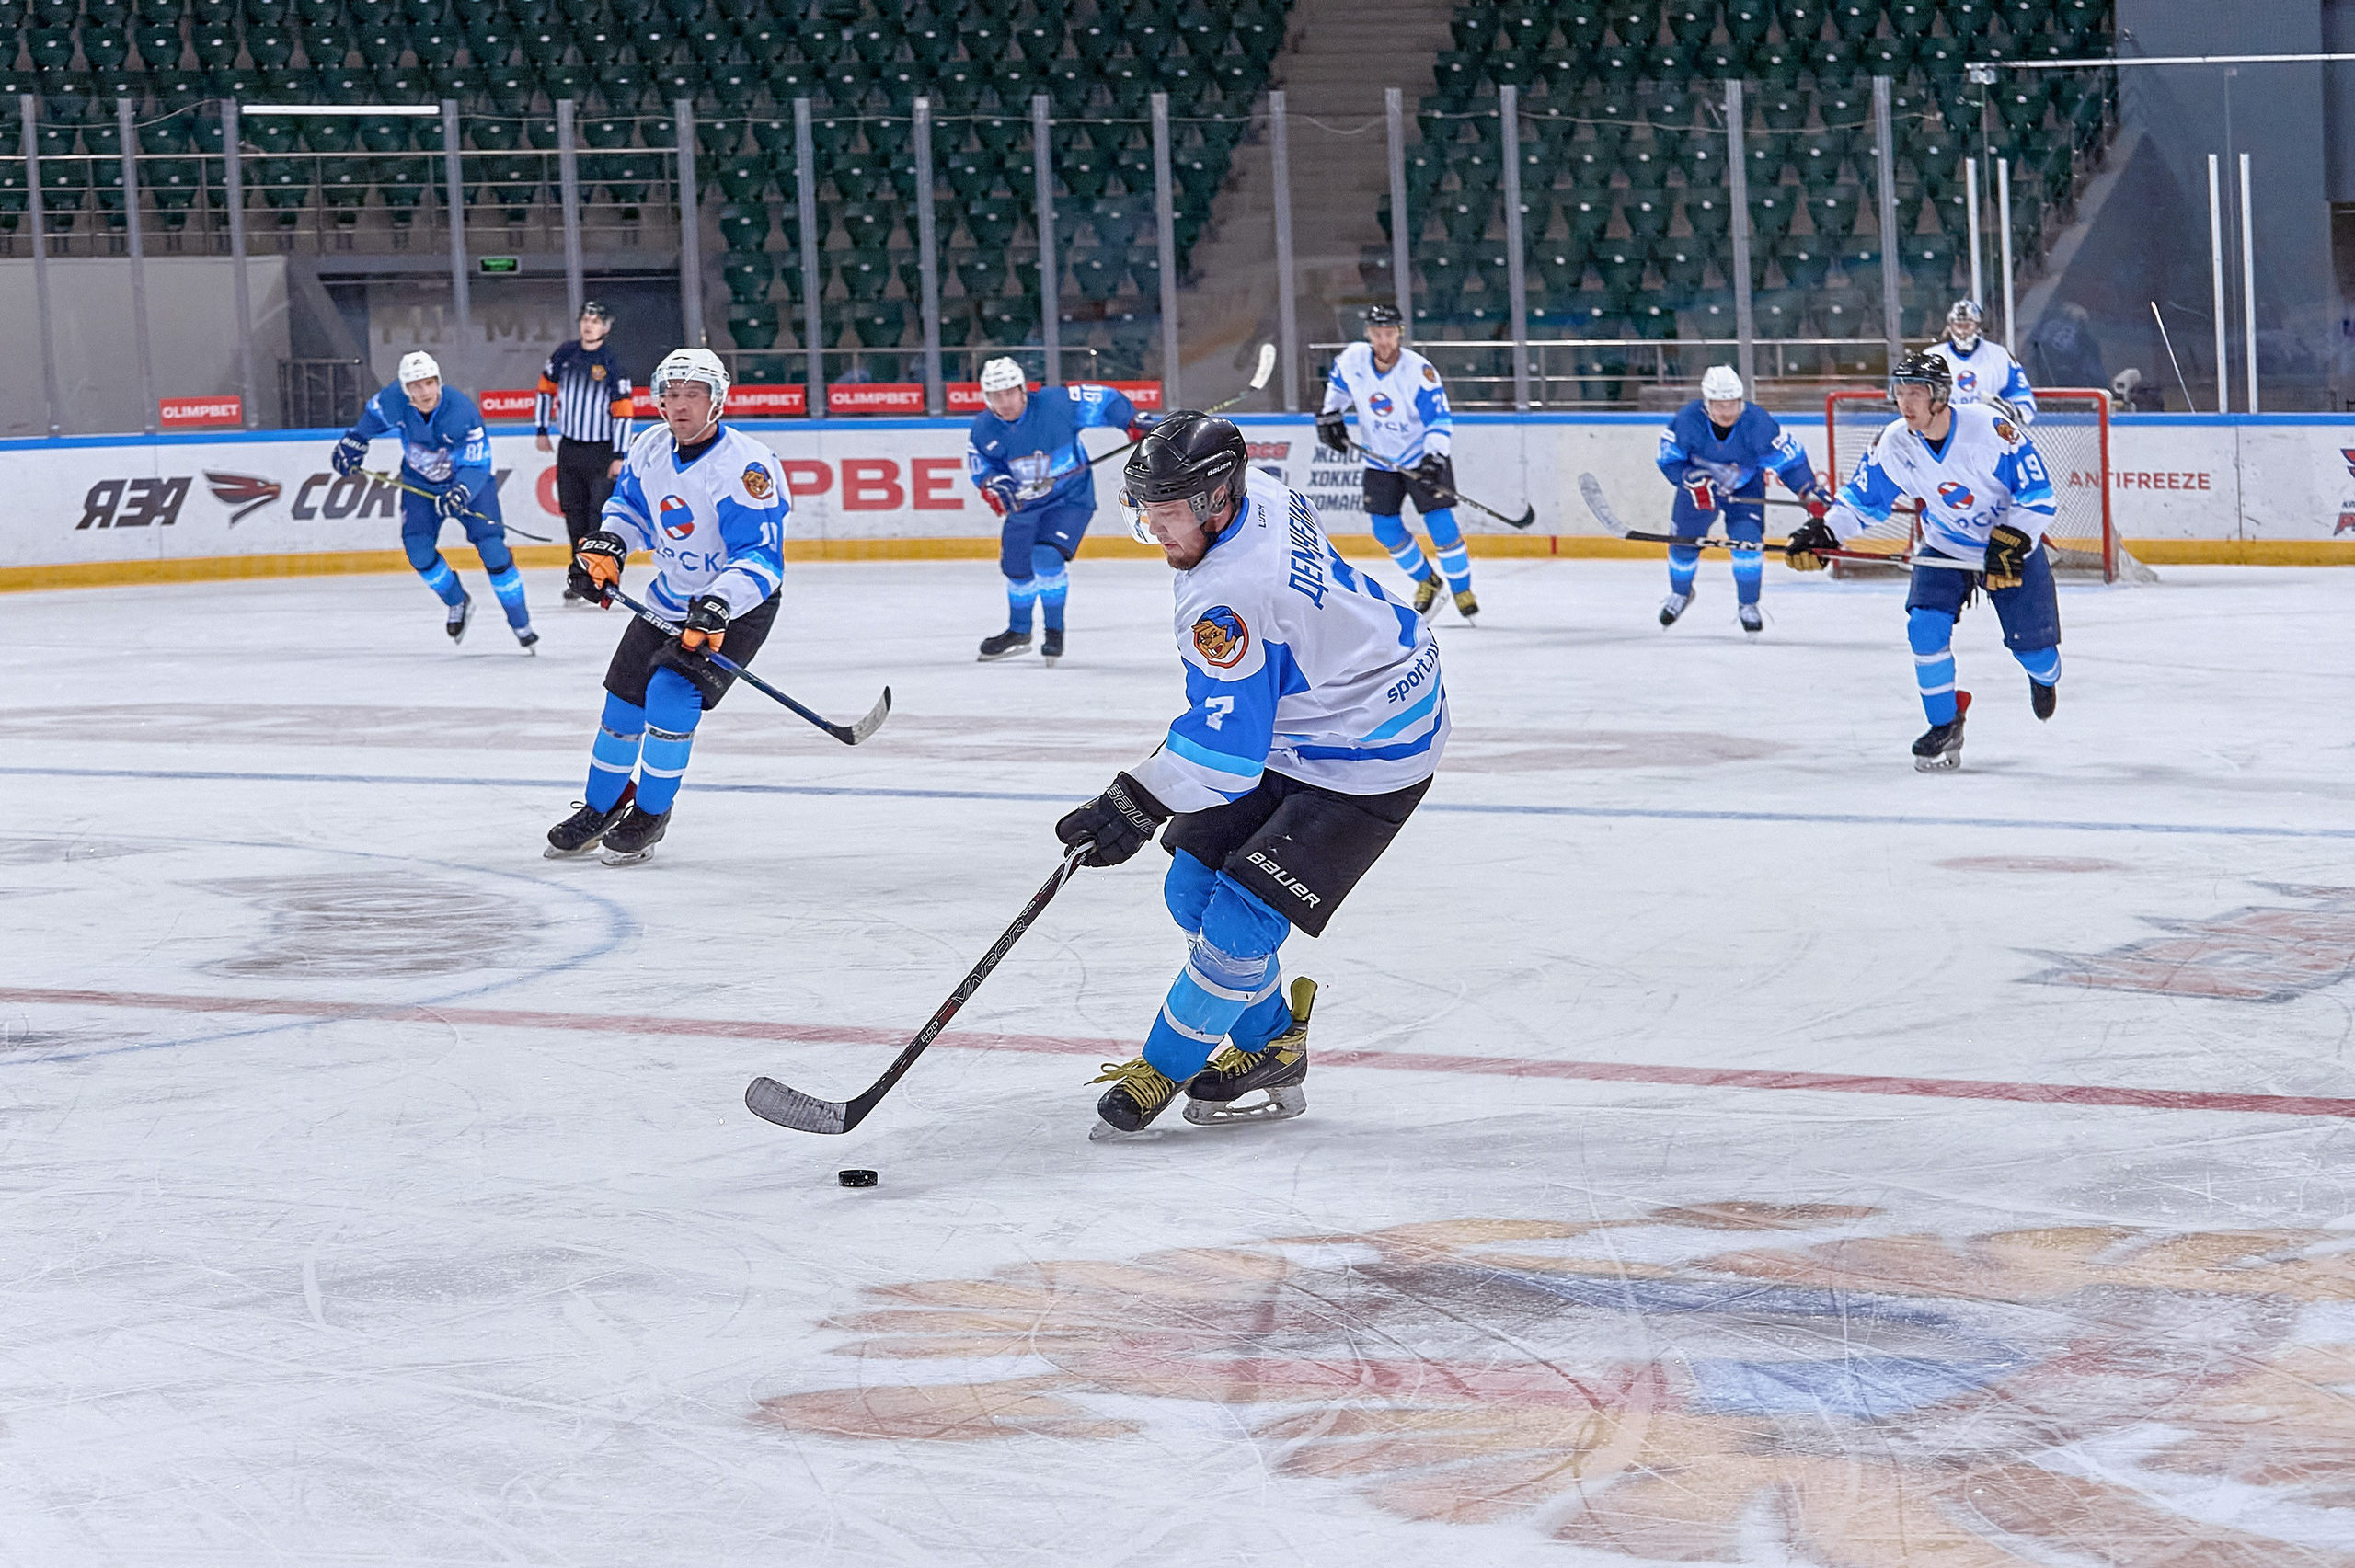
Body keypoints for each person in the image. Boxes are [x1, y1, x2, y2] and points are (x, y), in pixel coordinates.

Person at [1054, 412, 1448, 1140]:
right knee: (1190, 888)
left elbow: (1228, 756)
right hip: (1319, 712)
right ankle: (1274, 1044)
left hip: (1373, 748)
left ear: (1213, 502)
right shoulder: (1255, 488)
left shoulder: (1227, 596)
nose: (1157, 534)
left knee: (1239, 922)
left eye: (1167, 517)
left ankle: (1162, 1065)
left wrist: (1130, 802)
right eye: (1147, 515)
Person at [545, 348, 787, 864]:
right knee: (622, 705)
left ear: (716, 400)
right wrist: (607, 546)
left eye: (693, 394)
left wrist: (719, 604)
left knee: (670, 694)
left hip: (735, 609)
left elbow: (762, 560)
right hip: (670, 598)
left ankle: (652, 812)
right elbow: (628, 509)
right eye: (672, 394)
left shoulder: (744, 466)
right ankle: (602, 805)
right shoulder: (650, 447)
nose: (680, 405)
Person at [1784, 350, 2062, 772]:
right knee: (1924, 628)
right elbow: (1861, 502)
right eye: (1900, 392)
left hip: (2007, 548)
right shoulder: (1894, 443)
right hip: (1945, 545)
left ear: (1941, 397)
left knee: (2037, 656)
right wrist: (1826, 531)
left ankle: (2043, 678)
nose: (1906, 402)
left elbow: (2038, 496)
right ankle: (1944, 723)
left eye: (1917, 392)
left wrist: (2013, 540)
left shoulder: (1991, 430)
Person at [331, 350, 536, 651]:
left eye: (429, 383)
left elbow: (478, 463)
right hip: (419, 484)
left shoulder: (461, 411)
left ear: (438, 381)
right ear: (405, 389)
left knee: (493, 550)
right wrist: (354, 442)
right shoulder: (393, 400)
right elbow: (371, 420)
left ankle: (521, 622)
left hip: (468, 484)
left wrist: (461, 491)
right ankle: (457, 602)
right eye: (416, 386)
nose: (425, 392)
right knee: (417, 549)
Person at [964, 356, 1152, 665]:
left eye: (1010, 392)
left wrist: (1129, 420)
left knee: (1046, 558)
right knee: (1017, 569)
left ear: (1023, 389)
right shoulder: (985, 427)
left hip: (1070, 498)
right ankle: (1019, 630)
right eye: (996, 396)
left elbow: (1105, 400)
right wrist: (992, 482)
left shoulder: (1056, 404)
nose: (1005, 402)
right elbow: (982, 465)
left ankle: (1054, 632)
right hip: (1025, 505)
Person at [1315, 303, 1476, 622]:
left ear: (1400, 334)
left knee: (1440, 524)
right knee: (1385, 528)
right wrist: (1330, 416)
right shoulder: (1353, 360)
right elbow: (1337, 390)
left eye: (1389, 333)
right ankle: (1427, 582)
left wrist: (1434, 458)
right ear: (1368, 334)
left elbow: (1439, 419)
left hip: (1422, 456)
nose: (1384, 340)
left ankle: (1462, 589)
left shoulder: (1419, 371)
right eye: (1377, 333)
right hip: (1380, 460)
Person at [1653, 365, 1832, 634]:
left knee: (1748, 545)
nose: (1727, 412)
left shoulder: (1758, 423)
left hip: (1746, 488)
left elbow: (1791, 462)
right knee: (1682, 545)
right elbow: (1668, 460)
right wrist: (1689, 477)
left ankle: (1748, 604)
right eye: (1720, 405)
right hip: (1699, 491)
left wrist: (1807, 490)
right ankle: (1680, 593)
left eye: (1732, 404)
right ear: (1707, 403)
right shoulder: (1687, 420)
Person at [534, 301, 636, 605]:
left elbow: (624, 411)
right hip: (570, 448)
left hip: (602, 452)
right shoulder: (565, 354)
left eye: (595, 320)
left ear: (606, 327)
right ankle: (580, 574)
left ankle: (602, 575)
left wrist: (620, 454)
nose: (588, 324)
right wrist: (541, 429)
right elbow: (544, 389)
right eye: (585, 319)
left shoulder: (612, 360)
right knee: (573, 514)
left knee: (599, 516)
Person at [1927, 300, 2038, 424]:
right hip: (1943, 434)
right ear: (1950, 326)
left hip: (1988, 432)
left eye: (1967, 326)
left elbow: (2023, 401)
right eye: (1958, 325)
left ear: (1977, 326)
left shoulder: (2000, 357)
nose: (1962, 332)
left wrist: (2005, 411)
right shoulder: (1931, 358)